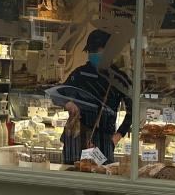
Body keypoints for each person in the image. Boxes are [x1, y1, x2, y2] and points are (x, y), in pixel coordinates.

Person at [55, 29, 133, 165]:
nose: (94, 55)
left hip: (104, 140)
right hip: (77, 137)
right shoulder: (80, 74)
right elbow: (58, 94)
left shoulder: (119, 79)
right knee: (71, 176)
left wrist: (118, 135)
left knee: (101, 180)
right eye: (91, 52)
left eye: (98, 51)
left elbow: (132, 110)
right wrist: (67, 103)